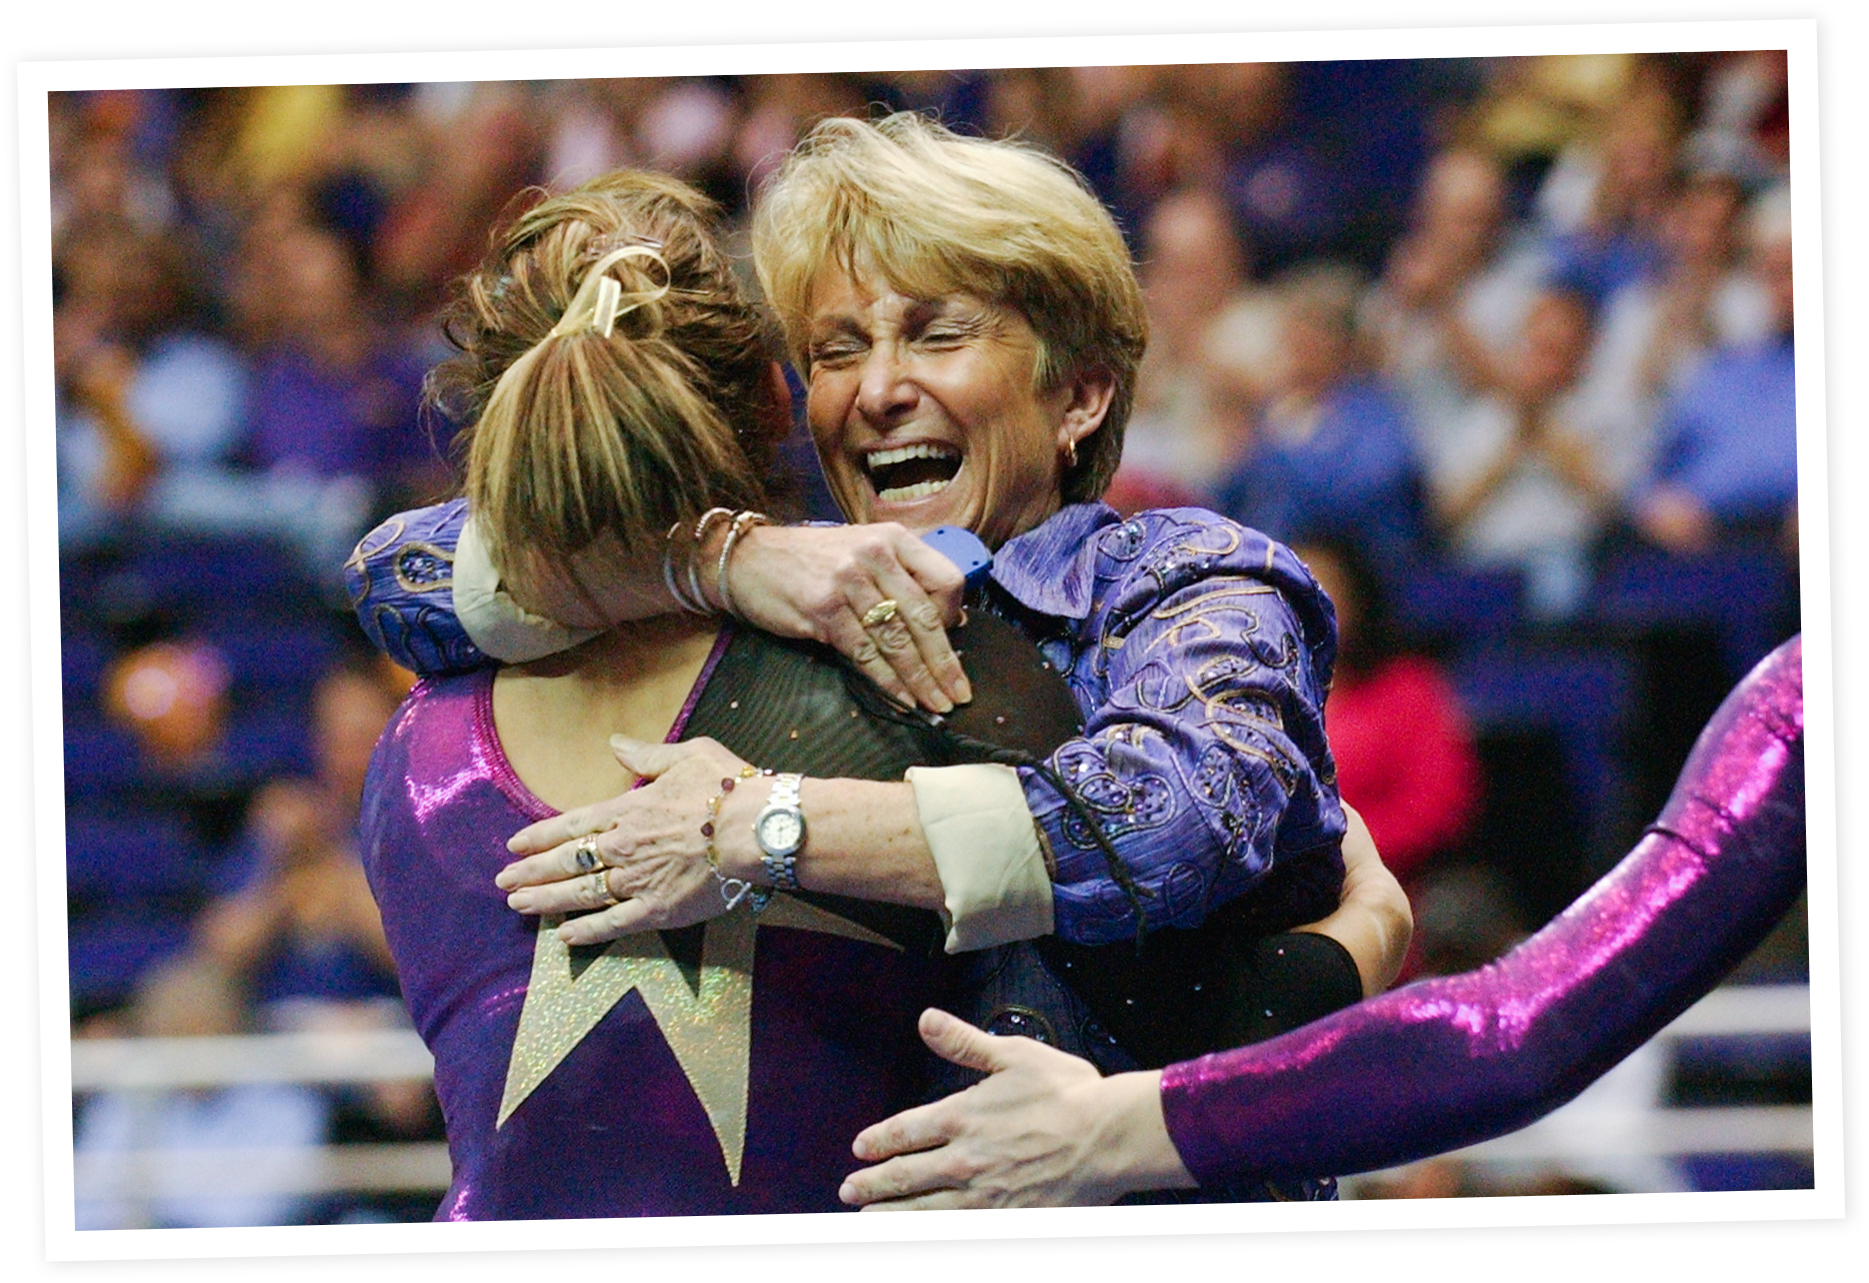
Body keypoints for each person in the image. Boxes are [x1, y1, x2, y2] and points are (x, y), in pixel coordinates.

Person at [836, 635, 1806, 1208]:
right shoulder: (1793, 704)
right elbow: (1518, 1027)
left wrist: (1112, 1127)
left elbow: (1515, 1035)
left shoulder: (1797, 702)